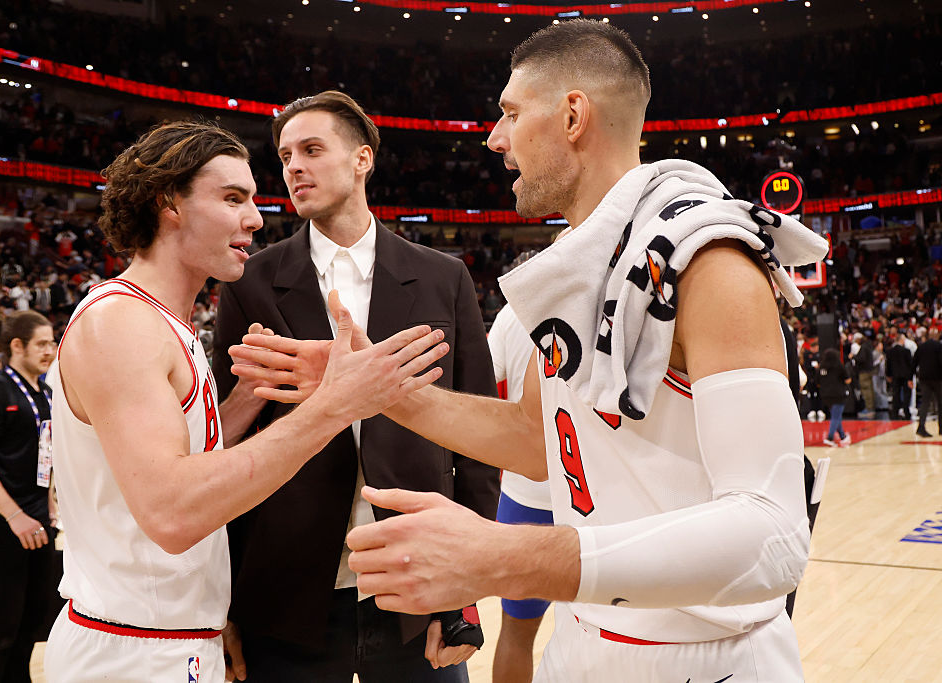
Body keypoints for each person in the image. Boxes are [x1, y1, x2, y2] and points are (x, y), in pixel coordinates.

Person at [239, 20, 828, 681]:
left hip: (705, 658)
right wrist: (378, 388)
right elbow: (540, 438)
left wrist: (502, 555)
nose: (495, 139)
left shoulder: (708, 260)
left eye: (511, 114)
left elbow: (774, 537)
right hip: (584, 637)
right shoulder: (579, 263)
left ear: (572, 115)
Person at [42, 120, 448, 682]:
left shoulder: (168, 322)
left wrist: (251, 394)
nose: (255, 218)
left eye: (253, 199)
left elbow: (191, 456)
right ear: (170, 205)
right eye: (232, 199)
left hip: (179, 638)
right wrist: (333, 404)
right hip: (129, 651)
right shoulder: (121, 324)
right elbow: (173, 510)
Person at [212, 91, 498, 683]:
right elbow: (226, 447)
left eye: (312, 150)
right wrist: (227, 605)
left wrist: (465, 589)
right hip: (287, 590)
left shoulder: (444, 276)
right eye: (286, 154)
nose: (294, 167)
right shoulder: (250, 281)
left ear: (363, 159)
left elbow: (480, 439)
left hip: (418, 585)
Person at [0, 310, 58, 682]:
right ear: (16, 346)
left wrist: (48, 501)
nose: (49, 350)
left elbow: (43, 454)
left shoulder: (44, 393)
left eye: (52, 342)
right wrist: (15, 516)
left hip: (38, 521)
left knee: (30, 623)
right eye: (41, 343)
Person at [486, 300, 553, 683]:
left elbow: (485, 378)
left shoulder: (513, 312)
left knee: (515, 632)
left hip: (525, 493)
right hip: (595, 491)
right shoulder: (609, 291)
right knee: (612, 630)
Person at [912, 327, 942, 437]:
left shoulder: (922, 346)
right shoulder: (939, 346)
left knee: (925, 403)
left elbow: (914, 362)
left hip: (924, 378)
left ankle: (921, 427)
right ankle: (941, 428)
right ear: (937, 335)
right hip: (937, 378)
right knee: (940, 403)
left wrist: (911, 377)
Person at [818, 348, 851, 447]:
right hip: (838, 395)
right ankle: (830, 438)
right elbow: (848, 380)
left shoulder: (821, 367)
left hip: (825, 395)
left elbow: (817, 383)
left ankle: (843, 437)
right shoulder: (839, 366)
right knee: (836, 417)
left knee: (836, 416)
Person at [886, 333, 914, 419]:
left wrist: (888, 375)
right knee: (906, 394)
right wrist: (911, 377)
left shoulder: (890, 351)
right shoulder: (906, 351)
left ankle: (895, 412)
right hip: (906, 376)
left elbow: (888, 365)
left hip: (895, 376)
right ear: (901, 340)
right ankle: (906, 411)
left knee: (896, 394)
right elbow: (910, 365)